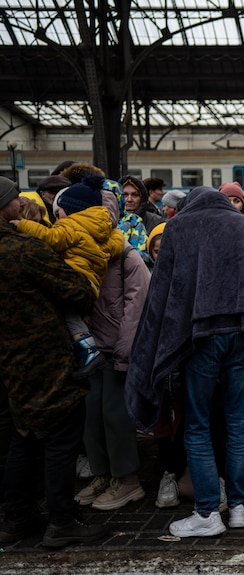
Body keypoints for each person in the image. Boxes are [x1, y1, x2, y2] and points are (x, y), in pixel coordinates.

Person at [126, 186, 244, 538]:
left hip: (199, 338)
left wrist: (152, 347)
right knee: (239, 422)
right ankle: (237, 507)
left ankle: (207, 511)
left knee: (198, 424)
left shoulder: (178, 228)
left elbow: (164, 292)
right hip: (243, 335)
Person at [0, 176, 109, 547]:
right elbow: (77, 291)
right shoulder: (24, 250)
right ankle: (61, 521)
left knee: (23, 438)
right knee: (61, 439)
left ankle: (17, 519)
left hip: (9, 362)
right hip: (46, 358)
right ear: (5, 208)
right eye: (15, 200)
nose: (21, 204)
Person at [74, 191, 151, 511]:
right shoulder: (84, 252)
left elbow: (139, 302)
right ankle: (104, 474)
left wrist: (124, 347)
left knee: (115, 417)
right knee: (92, 417)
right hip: (92, 348)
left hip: (114, 350)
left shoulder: (125, 254)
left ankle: (127, 479)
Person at [11, 177, 126, 378]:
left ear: (73, 211)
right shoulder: (105, 234)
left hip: (71, 280)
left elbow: (50, 238)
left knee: (68, 315)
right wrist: (115, 233)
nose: (57, 216)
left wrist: (22, 225)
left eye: (60, 211)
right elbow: (116, 246)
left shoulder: (71, 228)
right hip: (91, 286)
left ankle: (89, 350)